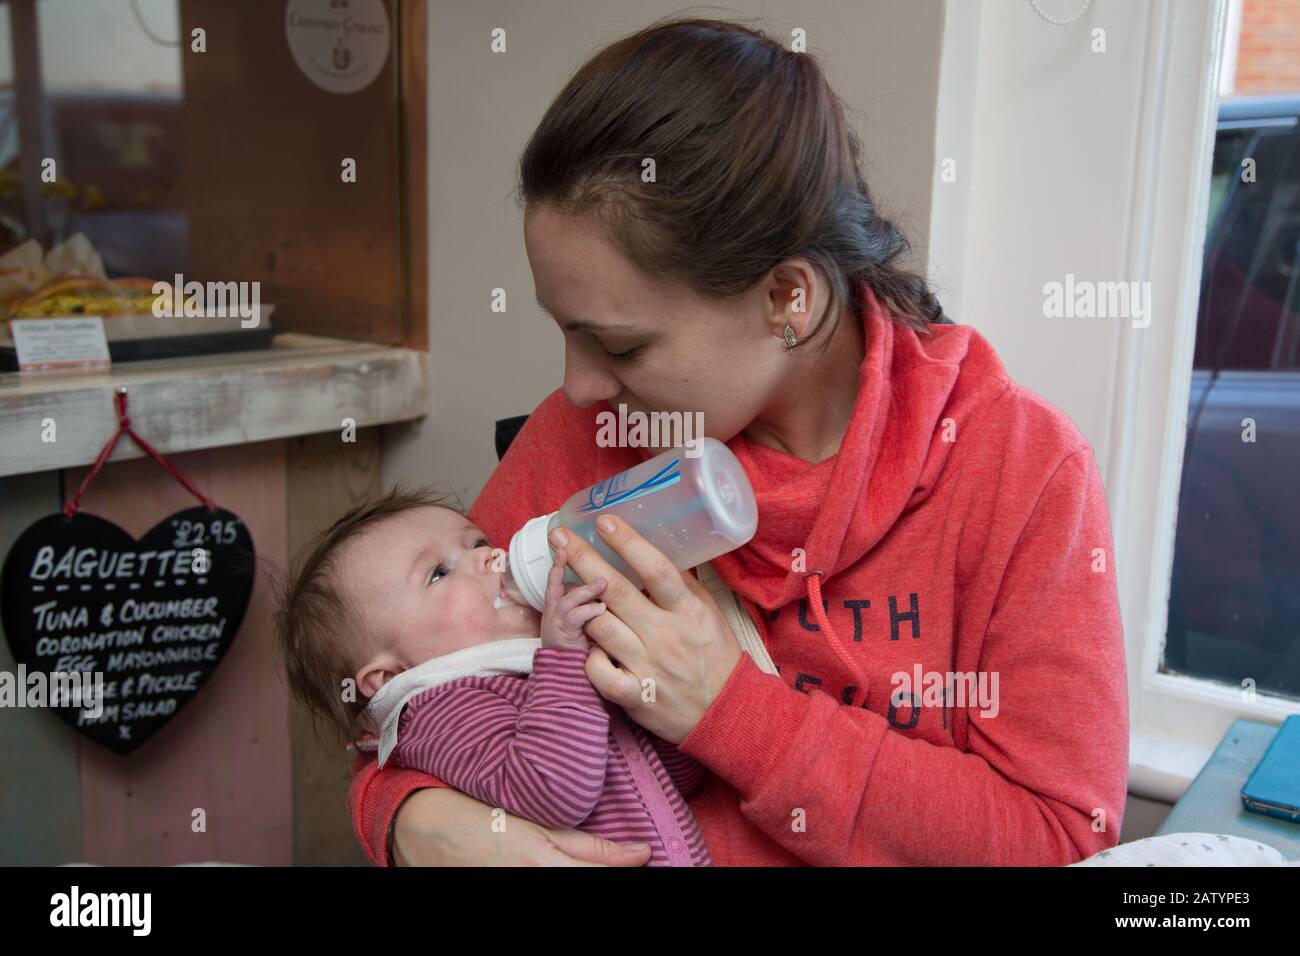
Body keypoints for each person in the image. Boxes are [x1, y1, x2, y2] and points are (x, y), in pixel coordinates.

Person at [348, 15, 1129, 866]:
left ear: (786, 298)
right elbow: (416, 696)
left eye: (619, 345)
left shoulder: (1022, 475)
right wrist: (411, 822)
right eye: (565, 332)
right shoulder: (586, 442)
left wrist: (730, 710)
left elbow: (1059, 840)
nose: (575, 388)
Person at [275, 493, 711, 866]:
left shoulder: (533, 674)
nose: (490, 556)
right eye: (439, 572)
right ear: (390, 675)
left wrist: (652, 701)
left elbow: (664, 779)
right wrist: (563, 660)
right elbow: (554, 791)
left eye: (478, 543)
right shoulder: (439, 711)